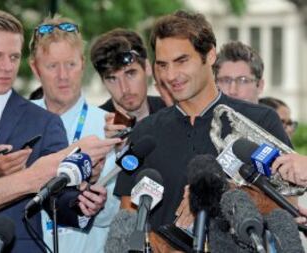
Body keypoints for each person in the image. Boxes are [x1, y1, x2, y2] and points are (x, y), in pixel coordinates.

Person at [113, 10, 291, 251]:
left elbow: (286, 204)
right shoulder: (145, 133)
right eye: (163, 65)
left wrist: (222, 196)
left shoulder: (260, 121)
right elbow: (128, 216)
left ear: (210, 56)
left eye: (181, 61)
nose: (171, 75)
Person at [0, 10, 106, 253]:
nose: (7, 66)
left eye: (13, 57)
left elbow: (59, 200)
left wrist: (84, 201)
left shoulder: (44, 123)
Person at [28, 15, 121, 252]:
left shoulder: (106, 127)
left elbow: (117, 213)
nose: (63, 75)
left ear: (82, 63)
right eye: (52, 66)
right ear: (35, 68)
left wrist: (98, 204)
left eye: (70, 64)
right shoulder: (18, 123)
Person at [90, 28, 166, 121]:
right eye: (112, 79)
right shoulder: (92, 126)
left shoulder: (172, 111)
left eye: (130, 74)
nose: (124, 89)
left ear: (147, 67)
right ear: (103, 82)